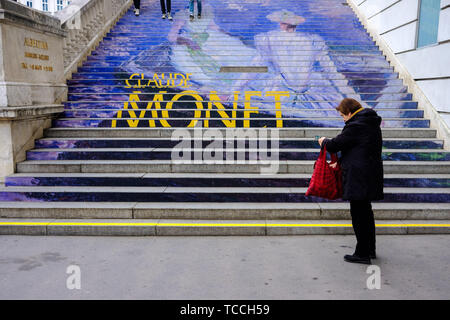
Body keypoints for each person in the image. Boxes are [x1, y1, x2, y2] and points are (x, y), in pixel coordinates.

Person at [319, 98, 384, 265]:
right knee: (366, 213)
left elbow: (335, 145)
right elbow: (356, 148)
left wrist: (324, 141)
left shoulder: (356, 125)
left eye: (342, 115)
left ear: (349, 112)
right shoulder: (369, 122)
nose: (343, 119)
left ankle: (362, 253)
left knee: (359, 215)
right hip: (368, 174)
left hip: (358, 177)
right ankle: (369, 249)